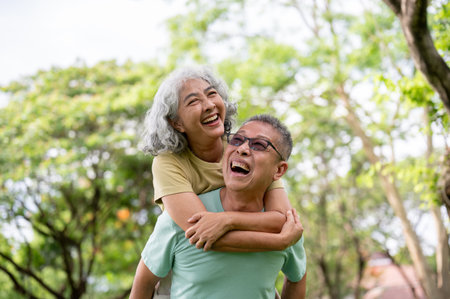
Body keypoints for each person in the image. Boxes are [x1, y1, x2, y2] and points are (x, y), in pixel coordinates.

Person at [138, 65, 302, 296]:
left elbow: (279, 220)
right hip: (188, 267)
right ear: (177, 123)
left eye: (212, 93)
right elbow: (202, 235)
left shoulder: (244, 149)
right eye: (193, 101)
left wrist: (226, 220)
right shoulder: (169, 163)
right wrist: (280, 243)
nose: (208, 105)